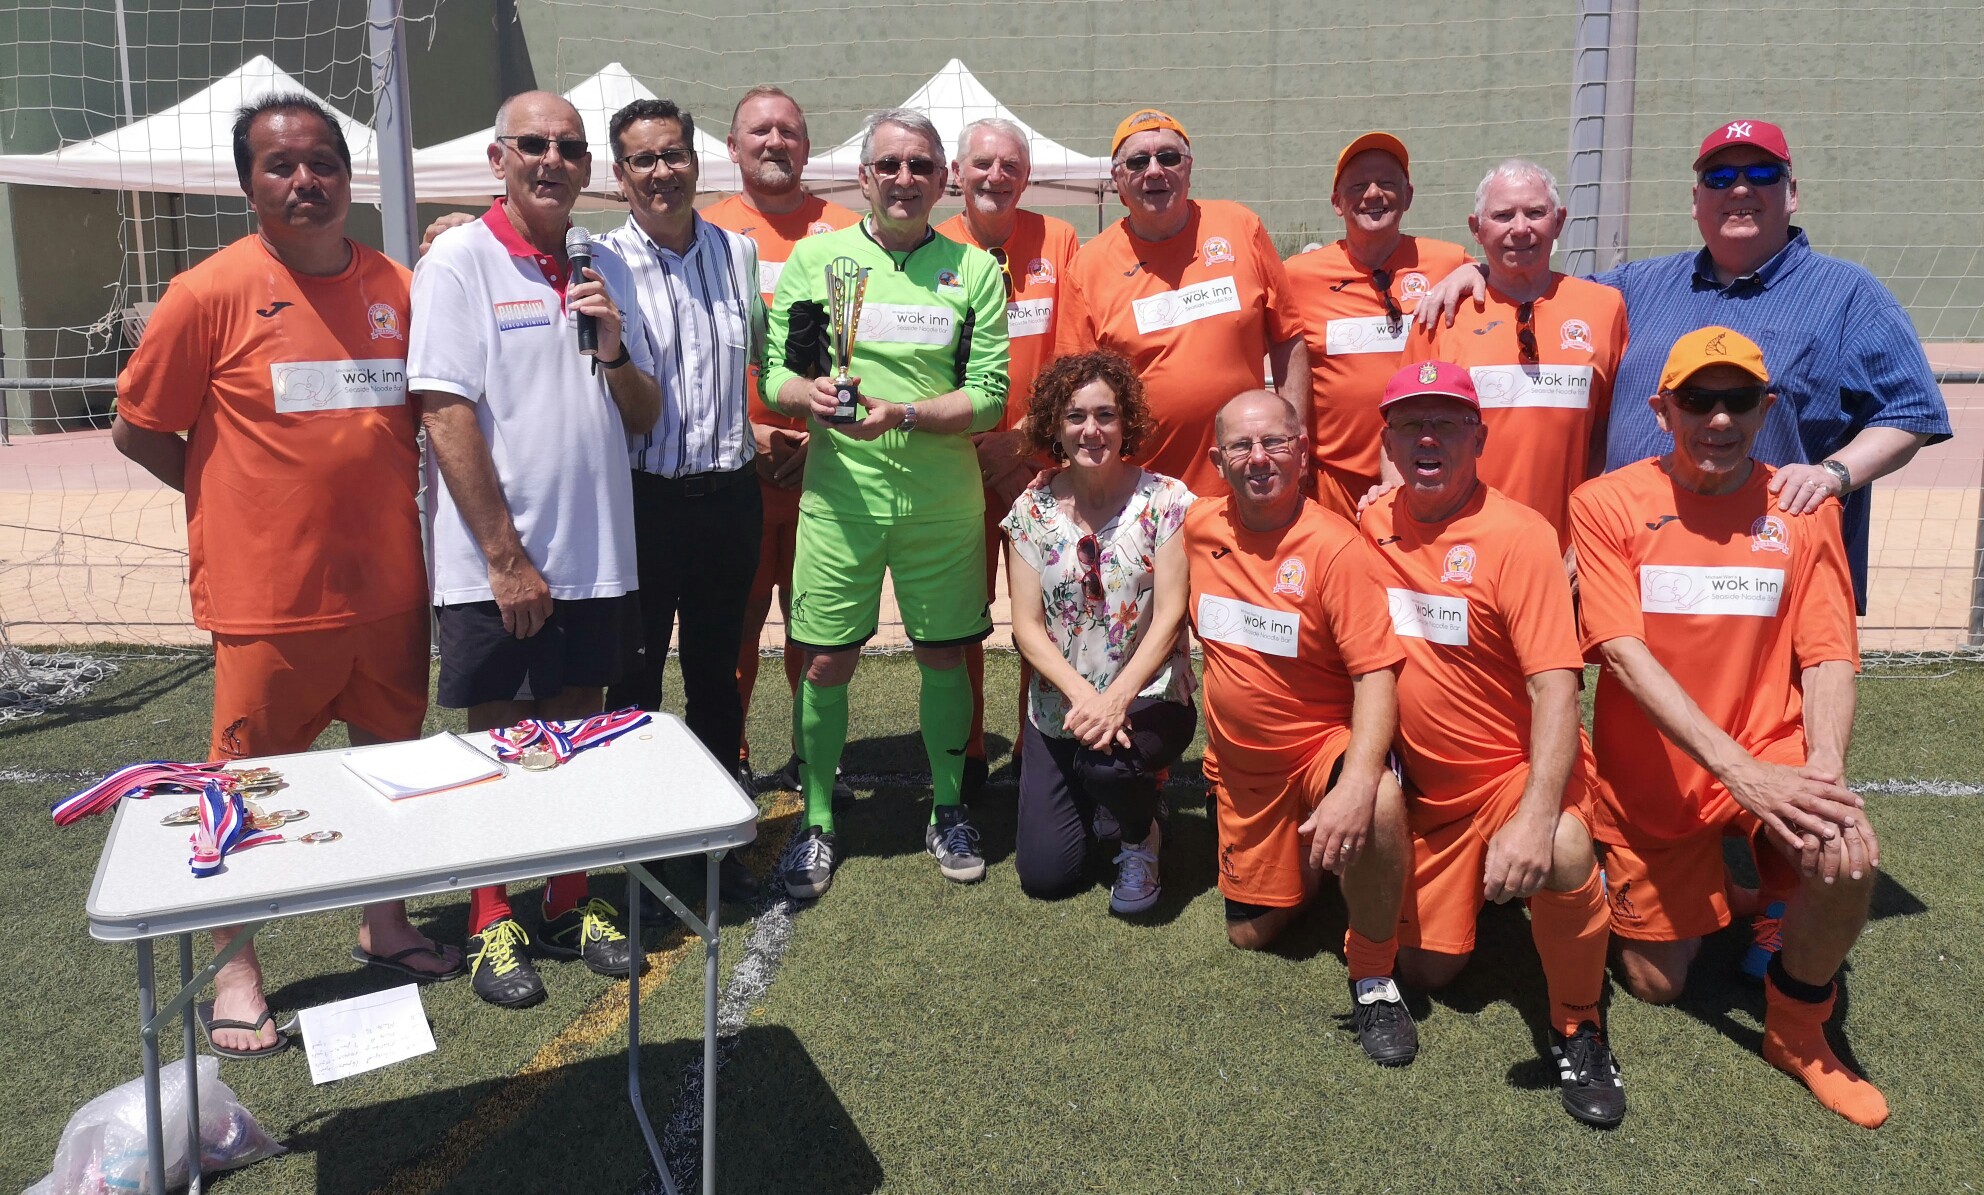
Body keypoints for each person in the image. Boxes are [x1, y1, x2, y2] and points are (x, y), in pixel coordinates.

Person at [111, 94, 463, 1057]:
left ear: (349, 176)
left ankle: (384, 923)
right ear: (248, 183)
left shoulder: (400, 283)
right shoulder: (207, 293)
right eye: (280, 166)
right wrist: (227, 491)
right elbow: (137, 426)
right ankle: (236, 971)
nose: (305, 181)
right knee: (247, 791)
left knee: (391, 774)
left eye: (322, 163)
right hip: (269, 604)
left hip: (391, 591)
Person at [1421, 120, 1950, 609]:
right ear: (1695, 200)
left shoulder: (1847, 294)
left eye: (1762, 173)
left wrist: (1834, 474)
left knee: (1771, 710)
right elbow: (1537, 288)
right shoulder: (1634, 289)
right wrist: (1476, 273)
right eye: (1720, 177)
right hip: (1643, 562)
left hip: (1767, 565)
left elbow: (1911, 410)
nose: (1739, 189)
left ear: (1792, 194)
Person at [1570, 326, 1885, 1127]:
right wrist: (1738, 770)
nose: (1719, 419)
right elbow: (1623, 654)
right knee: (1657, 981)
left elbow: (1828, 656)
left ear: (1765, 407)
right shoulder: (1604, 504)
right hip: (1658, 775)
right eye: (1698, 400)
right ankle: (1747, 891)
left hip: (1771, 747)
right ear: (1662, 408)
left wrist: (1821, 770)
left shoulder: (1801, 508)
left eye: (1738, 399)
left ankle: (1798, 1026)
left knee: (1846, 855)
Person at [409, 91, 661, 1008]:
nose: (551, 160)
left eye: (568, 147)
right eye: (533, 146)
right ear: (498, 158)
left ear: (588, 167)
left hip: (597, 556)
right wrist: (505, 556)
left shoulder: (604, 271)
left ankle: (566, 899)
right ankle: (487, 919)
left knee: (577, 738)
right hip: (500, 565)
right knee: (499, 746)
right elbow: (444, 413)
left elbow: (643, 415)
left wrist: (615, 350)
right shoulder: (459, 263)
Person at [1365, 361, 1622, 1126]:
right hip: (1429, 796)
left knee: (1566, 847)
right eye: (1411, 424)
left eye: (1447, 422)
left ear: (1481, 436)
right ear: (1388, 441)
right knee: (1430, 972)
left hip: (1511, 774)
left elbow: (1556, 686)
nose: (1429, 437)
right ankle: (1478, 885)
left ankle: (1579, 1025)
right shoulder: (1370, 524)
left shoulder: (1520, 535)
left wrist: (1538, 814)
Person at [763, 107, 1009, 900]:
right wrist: (814, 395)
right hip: (840, 502)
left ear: (944, 181)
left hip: (942, 504)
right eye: (890, 165)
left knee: (945, 654)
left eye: (921, 166)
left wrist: (902, 413)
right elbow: (778, 377)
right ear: (865, 177)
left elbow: (991, 397)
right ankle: (821, 817)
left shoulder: (973, 272)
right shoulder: (817, 261)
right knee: (828, 657)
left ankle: (946, 808)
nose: (906, 179)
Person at [1183, 389, 1417, 1066]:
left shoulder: (1336, 547)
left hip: (1321, 750)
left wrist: (1358, 779)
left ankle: (1373, 976)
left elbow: (1377, 675)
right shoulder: (1197, 528)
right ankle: (1312, 862)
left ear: (1303, 452)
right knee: (1251, 935)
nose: (1259, 459)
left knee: (1375, 801)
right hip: (1243, 768)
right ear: (1218, 460)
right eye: (1242, 446)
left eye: (1276, 443)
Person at [594, 98, 764, 909]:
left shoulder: (739, 253)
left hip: (730, 498)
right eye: (642, 160)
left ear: (698, 161)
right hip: (642, 503)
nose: (661, 172)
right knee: (631, 681)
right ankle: (633, 844)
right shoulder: (598, 259)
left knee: (716, 677)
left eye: (673, 155)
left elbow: (758, 364)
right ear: (619, 174)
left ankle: (714, 840)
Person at [702, 87, 862, 789]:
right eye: (758, 131)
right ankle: (725, 755)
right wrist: (751, 430)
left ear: (807, 145)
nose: (775, 142)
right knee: (733, 627)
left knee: (817, 632)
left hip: (832, 469)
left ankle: (810, 757)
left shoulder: (853, 231)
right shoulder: (703, 234)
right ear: (733, 147)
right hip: (736, 466)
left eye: (789, 131)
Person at [1002, 351, 1196, 912]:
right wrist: (1087, 697)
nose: (1092, 430)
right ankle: (1108, 795)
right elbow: (1026, 627)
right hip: (1063, 708)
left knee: (1109, 767)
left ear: (1125, 422)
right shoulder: (1031, 510)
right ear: (1054, 427)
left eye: (1106, 415)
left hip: (1148, 696)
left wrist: (1116, 700)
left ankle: (1141, 831)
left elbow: (1171, 615)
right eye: (1075, 417)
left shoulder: (1167, 500)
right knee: (1046, 875)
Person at [936, 116, 1084, 799]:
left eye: (1010, 166)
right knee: (963, 613)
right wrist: (978, 441)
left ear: (1026, 176)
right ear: (957, 174)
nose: (996, 176)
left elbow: (1075, 352)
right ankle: (965, 750)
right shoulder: (931, 244)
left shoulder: (1059, 239)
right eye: (983, 164)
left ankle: (1036, 739)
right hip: (955, 461)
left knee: (1047, 606)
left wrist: (1023, 439)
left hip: (1036, 462)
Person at [1055, 108, 1308, 497]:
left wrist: (1294, 436)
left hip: (1248, 481)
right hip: (1143, 495)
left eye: (1168, 157)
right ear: (1118, 181)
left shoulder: (1241, 227)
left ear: (1188, 168)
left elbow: (1288, 338)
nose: (1154, 170)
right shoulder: (1088, 268)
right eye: (1138, 161)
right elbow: (1076, 389)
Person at [1398, 160, 1626, 558]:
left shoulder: (1605, 308)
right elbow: (1398, 433)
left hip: (1568, 553)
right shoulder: (1441, 315)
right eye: (1503, 215)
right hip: (1458, 552)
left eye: (1535, 213)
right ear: (1477, 228)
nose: (1520, 228)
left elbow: (1609, 438)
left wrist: (1591, 541)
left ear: (1558, 222)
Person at [1283, 133, 1472, 518]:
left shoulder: (1448, 264)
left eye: (1387, 183)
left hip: (1425, 477)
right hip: (1331, 482)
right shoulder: (1298, 275)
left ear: (1408, 195)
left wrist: (1473, 272)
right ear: (1337, 203)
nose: (1373, 194)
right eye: (1358, 185)